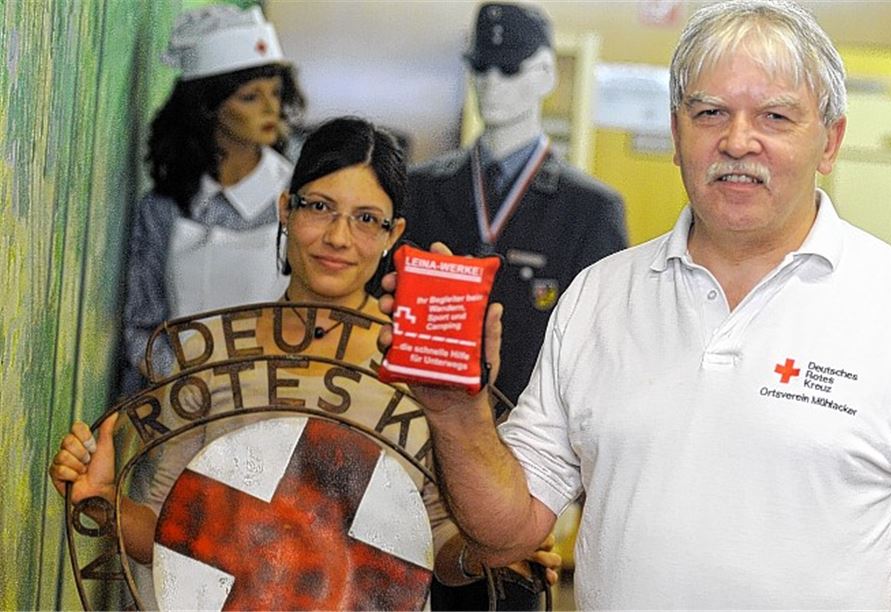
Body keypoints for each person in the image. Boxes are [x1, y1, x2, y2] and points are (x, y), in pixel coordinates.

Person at [380, 1, 891, 609]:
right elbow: (509, 531)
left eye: (775, 116)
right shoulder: (598, 297)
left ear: (830, 141)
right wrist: (457, 411)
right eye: (709, 112)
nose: (738, 141)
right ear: (677, 130)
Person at [50, 117, 559, 607]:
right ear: (285, 209)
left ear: (392, 233)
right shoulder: (215, 352)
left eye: (366, 219)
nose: (338, 237)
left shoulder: (421, 372)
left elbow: (432, 546)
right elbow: (170, 532)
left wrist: (490, 546)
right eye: (319, 207)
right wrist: (102, 499)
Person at [404, 2, 627, 409]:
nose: (491, 84)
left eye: (508, 70)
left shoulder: (590, 211)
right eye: (481, 68)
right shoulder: (420, 189)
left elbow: (600, 347)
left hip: (532, 435)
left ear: (545, 74)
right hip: (419, 420)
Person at [120, 4, 305, 395]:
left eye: (275, 93)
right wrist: (185, 389)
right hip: (176, 405)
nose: (272, 108)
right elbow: (142, 325)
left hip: (268, 401)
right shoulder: (164, 208)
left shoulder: (301, 200)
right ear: (209, 108)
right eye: (250, 97)